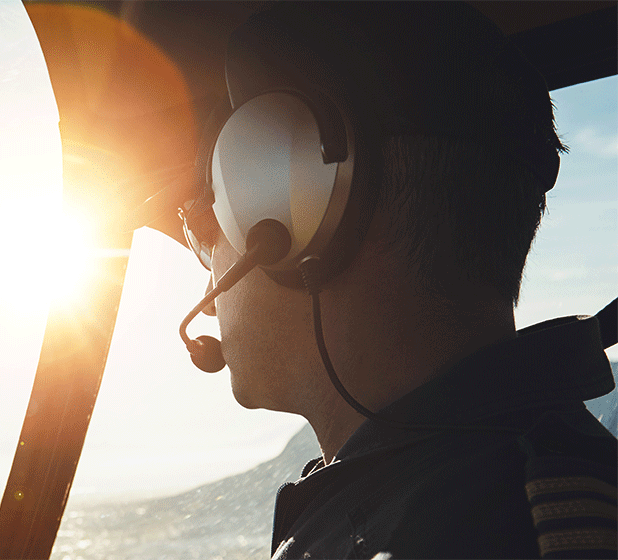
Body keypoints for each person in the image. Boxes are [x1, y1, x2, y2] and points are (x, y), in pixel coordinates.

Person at [179, 4, 617, 558]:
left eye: (202, 227)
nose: (209, 301)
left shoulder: (468, 530)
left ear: (296, 213)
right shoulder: (508, 489)